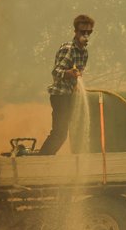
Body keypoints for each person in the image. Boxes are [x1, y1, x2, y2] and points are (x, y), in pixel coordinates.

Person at [37, 14, 95, 155]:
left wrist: (75, 83)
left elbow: (78, 75)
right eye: (83, 32)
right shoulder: (68, 48)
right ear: (75, 32)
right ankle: (41, 161)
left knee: (75, 130)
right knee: (60, 133)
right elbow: (56, 71)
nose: (86, 35)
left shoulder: (84, 53)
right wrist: (68, 73)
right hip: (60, 96)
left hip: (70, 96)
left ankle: (75, 161)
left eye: (89, 32)